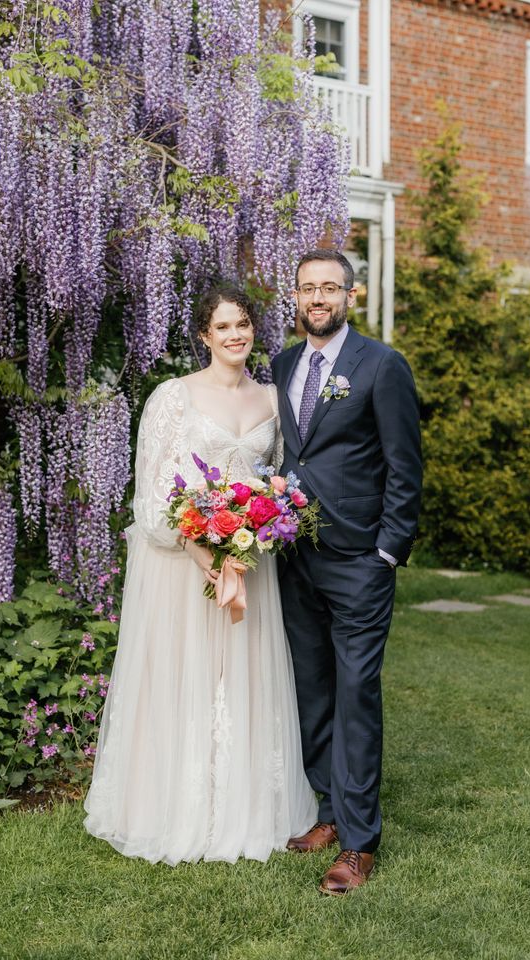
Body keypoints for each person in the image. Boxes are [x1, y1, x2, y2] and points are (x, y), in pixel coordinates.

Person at [84, 284, 316, 864]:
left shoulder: (270, 399)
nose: (236, 335)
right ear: (203, 336)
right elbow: (155, 495)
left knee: (244, 677)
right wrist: (208, 559)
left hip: (249, 564)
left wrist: (256, 531)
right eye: (224, 326)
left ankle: (243, 807)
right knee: (184, 680)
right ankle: (173, 809)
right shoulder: (173, 397)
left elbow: (275, 479)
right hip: (183, 569)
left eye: (243, 324)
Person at [271, 249, 422, 895]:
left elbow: (404, 464)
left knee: (357, 695)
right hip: (293, 555)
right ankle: (328, 812)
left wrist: (388, 550)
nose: (318, 298)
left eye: (330, 287)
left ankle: (359, 843)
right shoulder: (281, 364)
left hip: (360, 559)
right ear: (296, 297)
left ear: (350, 296)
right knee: (314, 690)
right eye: (308, 288)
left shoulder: (381, 366)